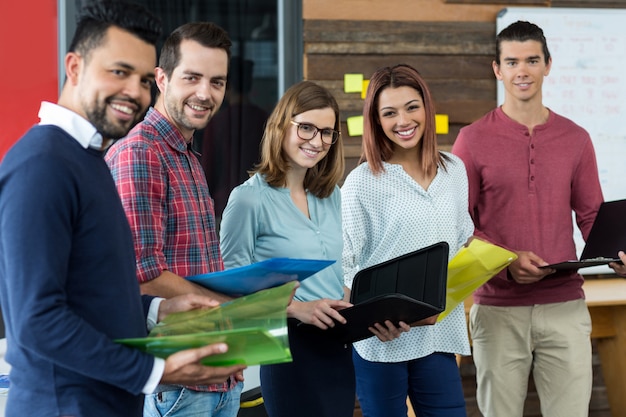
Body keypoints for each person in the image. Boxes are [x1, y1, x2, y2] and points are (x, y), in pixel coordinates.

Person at [0, 2, 247, 417]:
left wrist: (156, 308)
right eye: (118, 72)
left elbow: (91, 293)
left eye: (141, 78)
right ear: (75, 67)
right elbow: (37, 321)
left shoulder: (88, 158)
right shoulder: (42, 163)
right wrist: (155, 371)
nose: (133, 91)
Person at [451, 21, 604, 417]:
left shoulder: (576, 138)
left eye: (532, 60)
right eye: (513, 61)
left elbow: (592, 217)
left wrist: (617, 252)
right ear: (497, 69)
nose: (523, 70)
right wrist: (507, 260)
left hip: (565, 305)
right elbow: (458, 222)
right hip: (497, 308)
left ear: (547, 65)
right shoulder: (471, 139)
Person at [105, 22, 244, 417]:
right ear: (162, 79)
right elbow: (144, 275)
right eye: (192, 78)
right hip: (177, 379)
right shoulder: (142, 154)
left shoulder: (184, 155)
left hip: (213, 371)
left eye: (217, 81)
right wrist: (235, 313)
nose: (206, 93)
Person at [341, 64, 474, 417]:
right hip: (382, 340)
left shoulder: (454, 170)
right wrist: (368, 319)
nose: (403, 120)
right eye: (389, 113)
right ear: (376, 120)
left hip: (438, 335)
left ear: (427, 108)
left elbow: (462, 240)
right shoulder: (361, 183)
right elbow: (347, 265)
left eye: (412, 107)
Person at [219, 81, 356, 417]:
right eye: (306, 127)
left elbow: (339, 274)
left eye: (326, 132)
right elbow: (229, 294)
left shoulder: (332, 196)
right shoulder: (248, 199)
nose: (317, 141)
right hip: (286, 349)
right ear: (282, 126)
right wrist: (296, 308)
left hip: (338, 349)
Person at [200, 57, 269, 219]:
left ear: (227, 87)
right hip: (260, 206)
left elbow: (208, 171)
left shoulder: (217, 122)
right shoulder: (264, 119)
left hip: (223, 207)